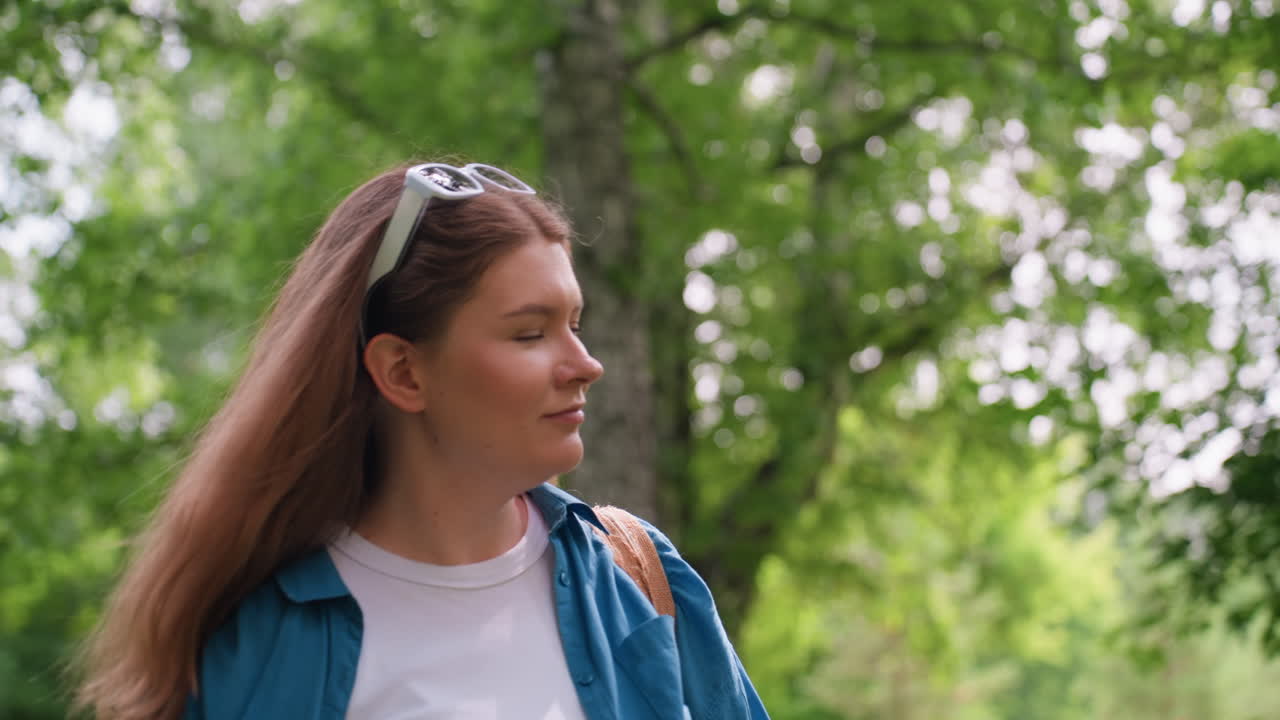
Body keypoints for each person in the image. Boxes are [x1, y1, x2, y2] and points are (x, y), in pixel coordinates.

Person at [76, 161, 769, 719]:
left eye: (575, 324)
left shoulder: (638, 577)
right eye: (530, 332)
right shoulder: (253, 647)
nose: (585, 365)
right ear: (403, 372)